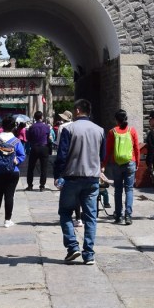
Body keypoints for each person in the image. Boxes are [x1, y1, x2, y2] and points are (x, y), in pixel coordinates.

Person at [54, 98, 106, 264]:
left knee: (65, 212)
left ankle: (72, 247)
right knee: (90, 217)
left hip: (72, 177)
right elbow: (102, 156)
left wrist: (58, 175)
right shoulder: (100, 130)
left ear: (77, 111)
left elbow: (62, 156)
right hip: (92, 179)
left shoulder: (69, 129)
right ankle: (89, 254)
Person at [0, 115, 26, 226]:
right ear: (13, 127)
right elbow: (22, 155)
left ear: (2, 126)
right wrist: (17, 160)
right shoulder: (16, 141)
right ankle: (7, 220)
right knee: (9, 195)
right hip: (13, 171)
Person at [105, 108, 140, 225]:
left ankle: (118, 215)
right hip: (130, 162)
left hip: (117, 164)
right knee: (129, 189)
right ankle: (128, 215)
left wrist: (104, 164)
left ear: (116, 120)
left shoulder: (112, 132)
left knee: (118, 190)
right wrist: (137, 163)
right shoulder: (132, 131)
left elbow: (108, 150)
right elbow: (136, 148)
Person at [25, 110, 52, 191]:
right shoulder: (46, 127)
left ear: (34, 118)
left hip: (34, 147)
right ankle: (42, 186)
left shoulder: (31, 127)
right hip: (44, 147)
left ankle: (30, 185)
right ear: (41, 117)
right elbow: (48, 138)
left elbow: (28, 138)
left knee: (31, 167)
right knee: (44, 168)